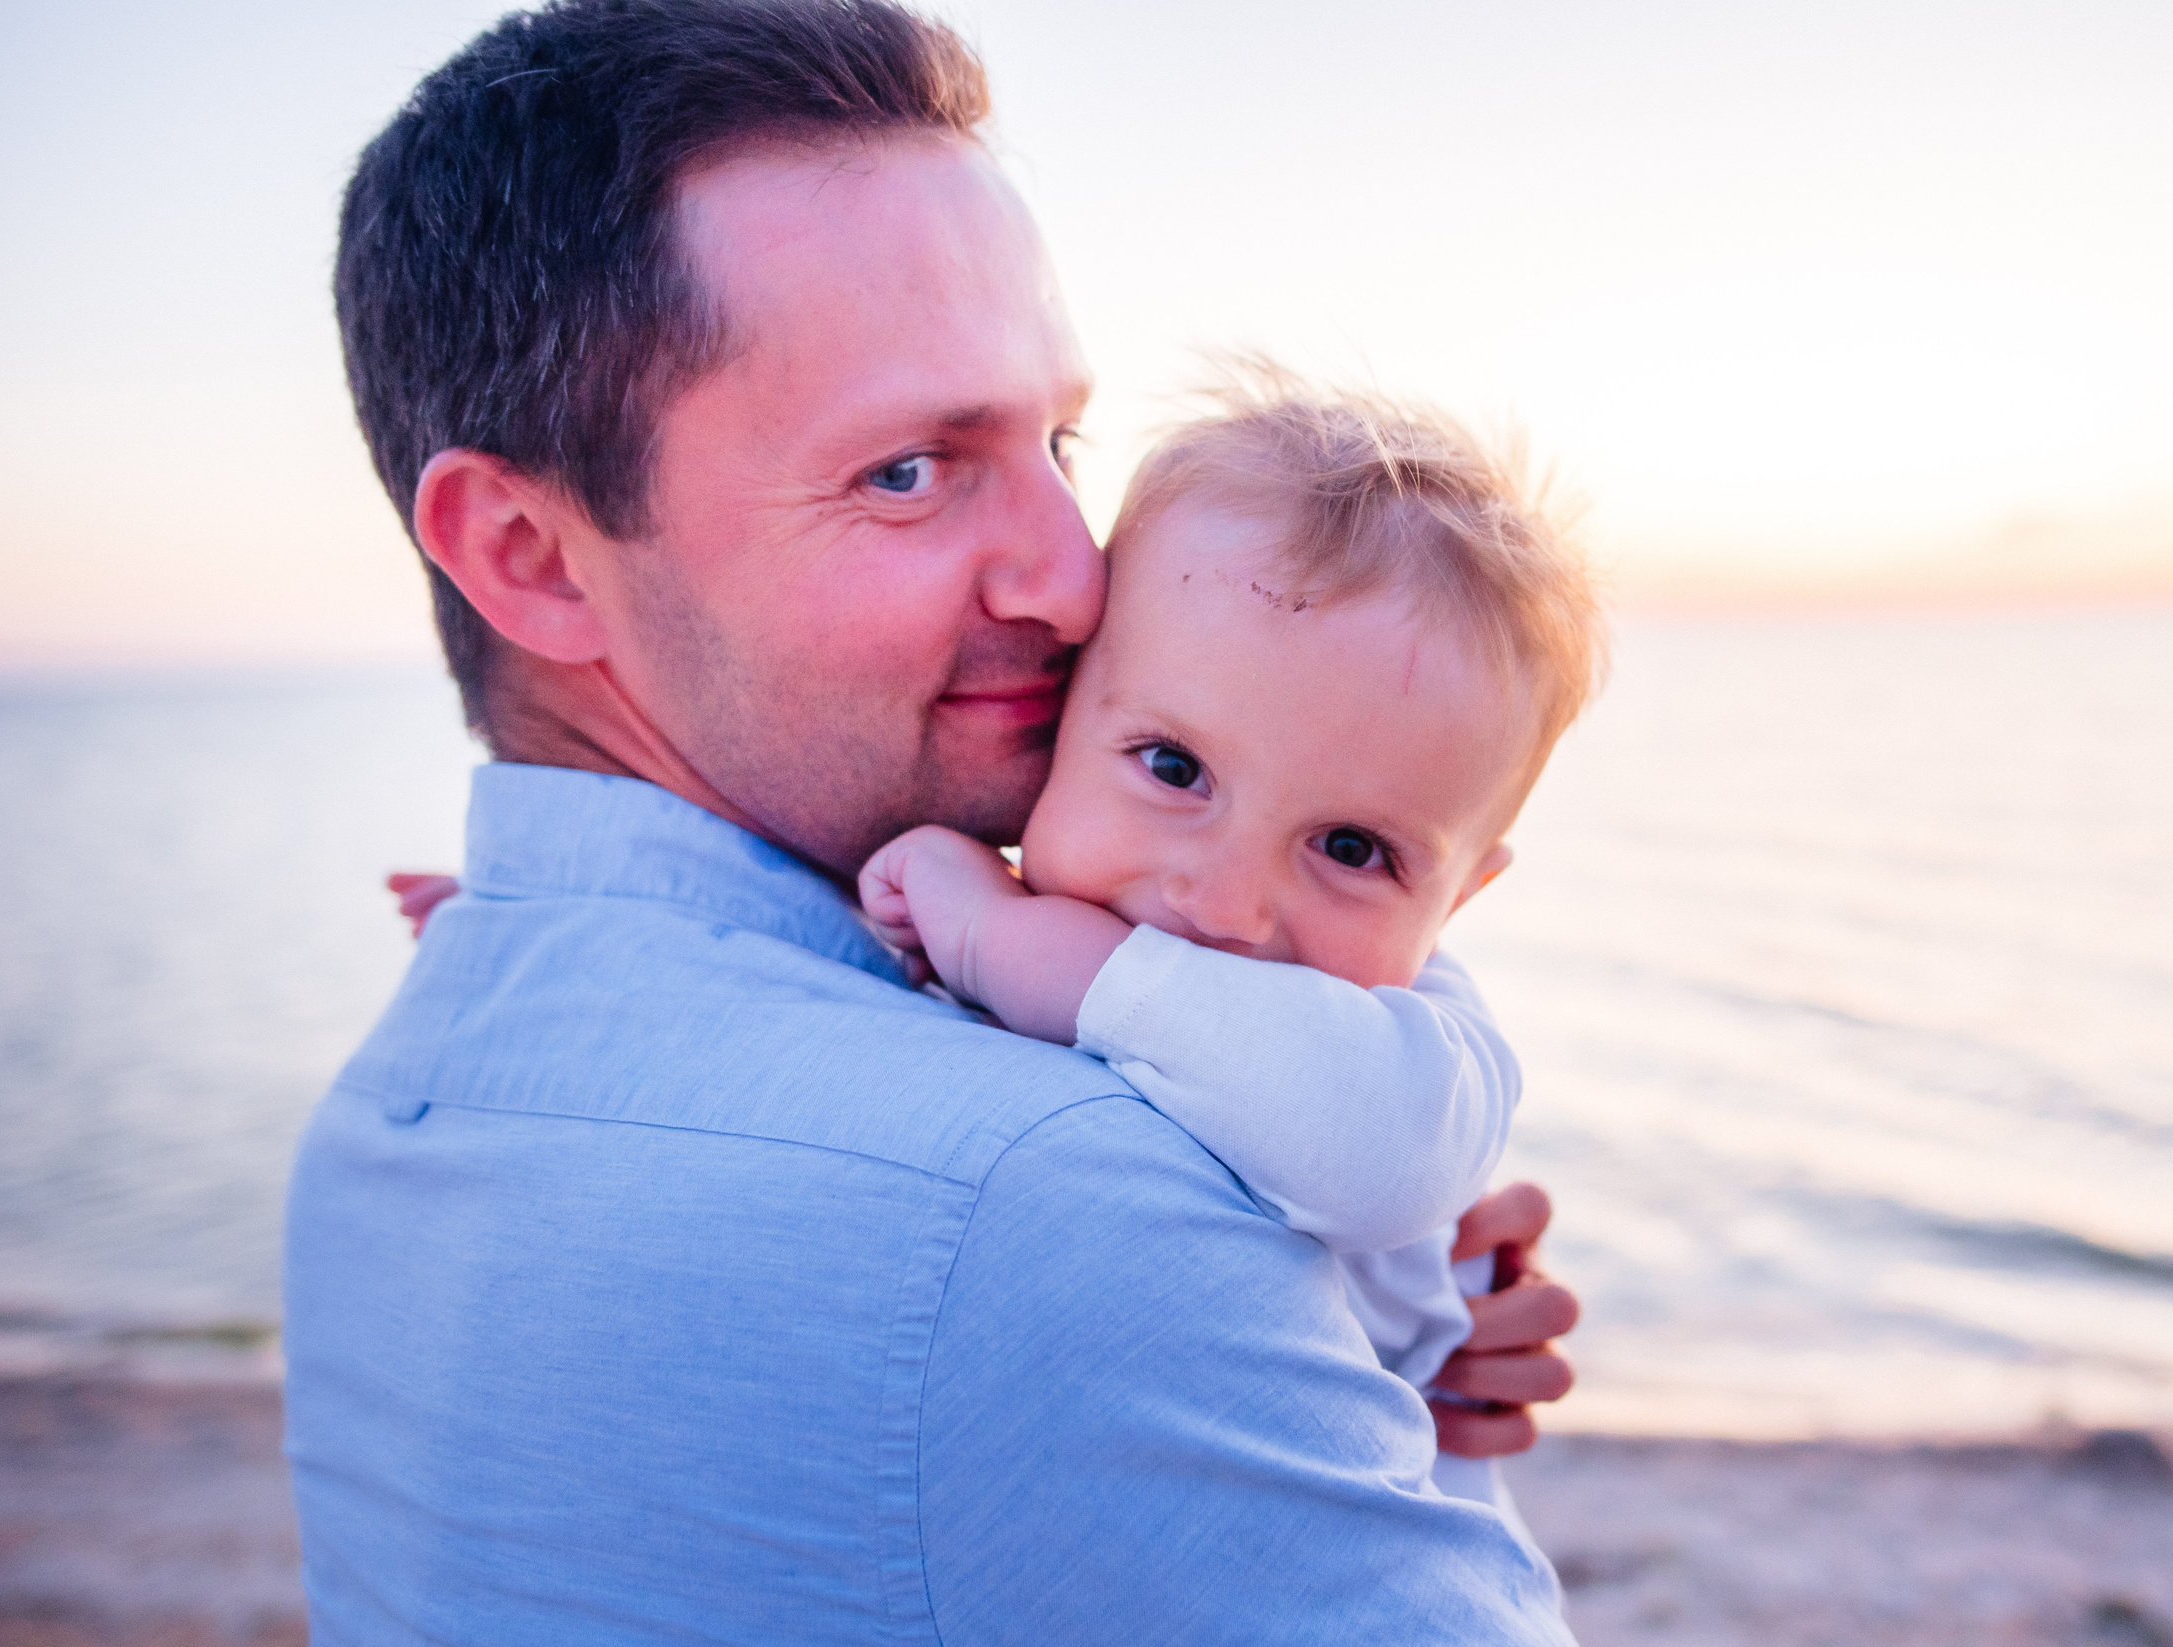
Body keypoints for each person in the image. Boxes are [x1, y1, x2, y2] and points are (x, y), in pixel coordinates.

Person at [284, 2, 1581, 1641]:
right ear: (534, 556)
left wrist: (1351, 1326)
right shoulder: (1060, 1203)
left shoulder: (381, 1118)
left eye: (1056, 440)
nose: (1073, 572)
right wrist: (1419, 1433)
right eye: (909, 469)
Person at [858, 379, 1607, 1532]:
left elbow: (1375, 1152)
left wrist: (1011, 943)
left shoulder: (1425, 1056)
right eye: (1171, 769)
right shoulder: (990, 900)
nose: (1225, 906)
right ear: (1053, 725)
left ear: (1458, 901)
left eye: (1353, 850)